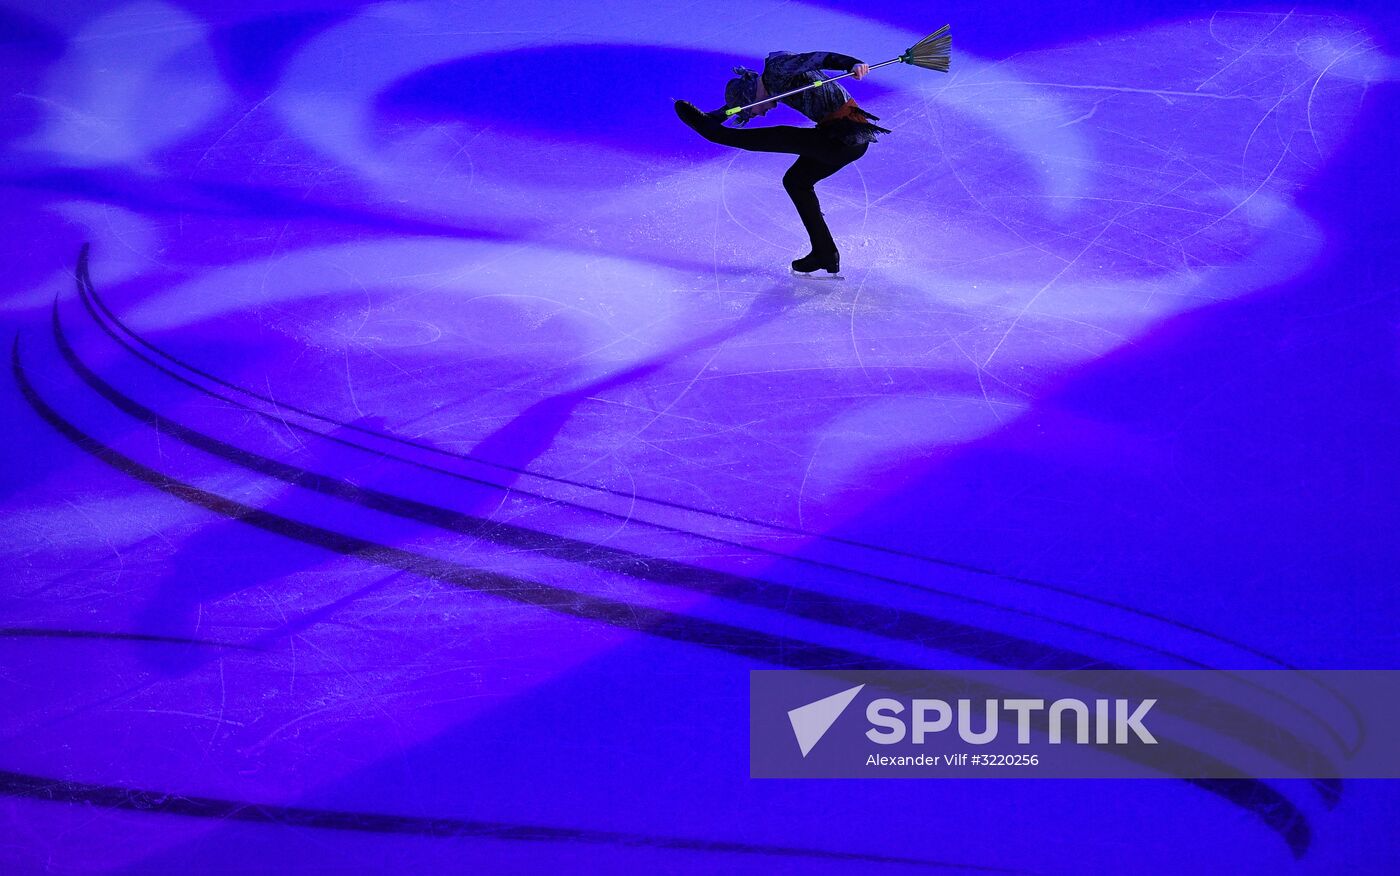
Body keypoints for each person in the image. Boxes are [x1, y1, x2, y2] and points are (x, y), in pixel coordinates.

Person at [674, 51, 889, 275]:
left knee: (779, 137)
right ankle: (825, 252)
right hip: (844, 140)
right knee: (796, 181)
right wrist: (717, 114)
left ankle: (718, 135)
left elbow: (819, 57)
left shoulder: (776, 69)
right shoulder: (768, 87)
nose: (764, 113)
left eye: (752, 113)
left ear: (750, 98)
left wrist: (850, 63)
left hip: (845, 137)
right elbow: (740, 102)